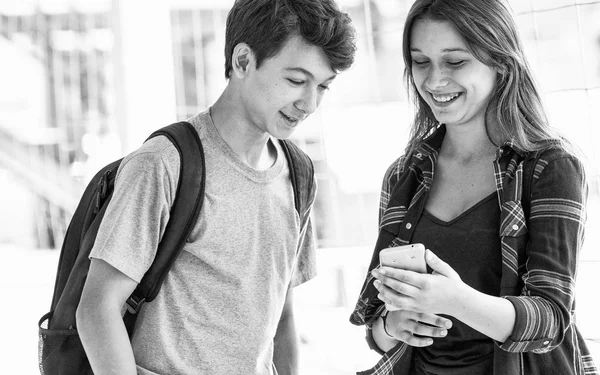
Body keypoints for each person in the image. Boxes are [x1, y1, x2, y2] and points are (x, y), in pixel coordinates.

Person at [75, 1, 355, 374]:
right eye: (296, 80)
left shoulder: (298, 174)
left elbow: (281, 317)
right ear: (242, 61)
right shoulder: (165, 164)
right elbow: (97, 308)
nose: (309, 103)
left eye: (323, 86)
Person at [349, 0, 598, 374]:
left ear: (500, 60)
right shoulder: (404, 175)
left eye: (455, 61)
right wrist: (392, 325)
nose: (433, 81)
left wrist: (455, 300)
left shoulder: (550, 168)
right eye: (421, 62)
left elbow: (550, 322)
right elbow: (376, 329)